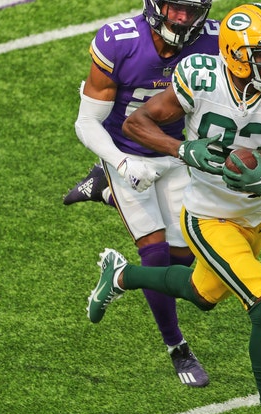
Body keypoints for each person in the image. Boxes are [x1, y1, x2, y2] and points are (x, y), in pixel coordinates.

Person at [87, 3, 261, 414]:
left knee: (201, 293)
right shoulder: (201, 77)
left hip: (254, 216)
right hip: (207, 215)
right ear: (233, 54)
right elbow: (137, 123)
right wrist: (182, 149)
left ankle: (120, 276)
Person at [75, 0, 220, 387]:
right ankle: (178, 348)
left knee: (185, 253)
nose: (182, 18)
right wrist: (120, 164)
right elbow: (87, 121)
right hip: (126, 154)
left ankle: (117, 265)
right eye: (175, 8)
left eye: (191, 10)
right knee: (155, 254)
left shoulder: (216, 41)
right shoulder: (119, 41)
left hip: (176, 153)